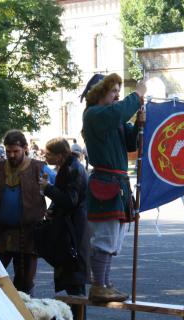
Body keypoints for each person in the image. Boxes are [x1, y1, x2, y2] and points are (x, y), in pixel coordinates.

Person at [81, 73, 146, 302]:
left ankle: (105, 284)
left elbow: (132, 143)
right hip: (106, 183)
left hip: (117, 184)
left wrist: (140, 124)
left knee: (114, 239)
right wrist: (137, 95)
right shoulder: (94, 115)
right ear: (100, 93)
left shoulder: (112, 118)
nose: (118, 95)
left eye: (119, 90)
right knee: (106, 238)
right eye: (113, 90)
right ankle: (99, 285)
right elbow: (117, 113)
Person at [0, 130, 55, 295]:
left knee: (25, 283)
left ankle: (26, 318)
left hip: (29, 233)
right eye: (8, 151)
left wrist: (53, 209)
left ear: (25, 148)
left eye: (15, 151)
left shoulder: (39, 168)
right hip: (0, 232)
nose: (11, 155)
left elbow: (61, 189)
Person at [39, 138, 89, 297]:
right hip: (70, 227)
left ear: (59, 155)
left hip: (74, 229)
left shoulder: (72, 169)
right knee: (71, 280)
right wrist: (52, 210)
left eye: (48, 154)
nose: (45, 157)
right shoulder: (67, 167)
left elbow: (70, 200)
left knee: (74, 281)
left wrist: (47, 188)